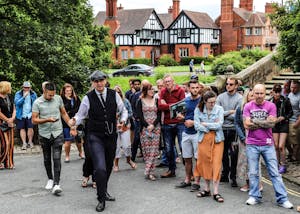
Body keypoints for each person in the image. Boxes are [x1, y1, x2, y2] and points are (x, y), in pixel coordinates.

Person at [69, 70, 128, 212]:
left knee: (107, 167)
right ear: (92, 83)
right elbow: (81, 114)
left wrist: (123, 120)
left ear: (105, 80)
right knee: (100, 168)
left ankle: (104, 190)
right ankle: (101, 198)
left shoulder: (114, 95)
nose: (99, 83)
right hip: (95, 136)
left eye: (101, 80)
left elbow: (123, 110)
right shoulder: (87, 98)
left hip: (111, 135)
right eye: (96, 81)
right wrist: (74, 121)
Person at [243, 84, 293, 209]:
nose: (259, 96)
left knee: (274, 172)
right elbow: (247, 125)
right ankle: (254, 196)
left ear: (265, 93)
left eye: (261, 93)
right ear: (253, 93)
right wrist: (263, 122)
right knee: (253, 172)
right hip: (252, 144)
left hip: (267, 143)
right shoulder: (248, 106)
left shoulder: (271, 106)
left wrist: (255, 122)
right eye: (257, 93)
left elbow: (271, 123)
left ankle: (282, 199)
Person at [32, 82, 73, 195]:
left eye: (53, 94)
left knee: (56, 158)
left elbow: (63, 113)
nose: (52, 97)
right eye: (50, 95)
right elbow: (34, 120)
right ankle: (50, 178)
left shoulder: (58, 98)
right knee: (46, 158)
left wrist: (71, 124)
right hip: (44, 134)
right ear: (44, 92)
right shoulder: (37, 102)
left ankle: (56, 184)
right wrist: (47, 120)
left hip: (57, 132)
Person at [194, 91, 224, 203]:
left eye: (214, 101)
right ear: (205, 101)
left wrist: (205, 124)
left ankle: (216, 191)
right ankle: (207, 189)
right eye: (210, 102)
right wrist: (209, 126)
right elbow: (196, 125)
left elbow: (219, 125)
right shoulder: (198, 110)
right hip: (203, 140)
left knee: (216, 164)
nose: (213, 104)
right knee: (205, 163)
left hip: (217, 140)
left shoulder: (219, 109)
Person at [175, 80, 202, 191]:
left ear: (199, 88)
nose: (195, 89)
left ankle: (196, 181)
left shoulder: (202, 101)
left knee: (197, 159)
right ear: (188, 89)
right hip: (186, 132)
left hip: (197, 133)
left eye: (197, 87)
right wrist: (180, 117)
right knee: (186, 158)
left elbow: (206, 118)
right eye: (193, 88)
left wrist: (193, 122)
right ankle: (187, 179)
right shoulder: (185, 101)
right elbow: (179, 114)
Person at [235, 89, 263, 192]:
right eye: (250, 96)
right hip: (244, 140)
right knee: (245, 162)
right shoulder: (240, 109)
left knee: (256, 161)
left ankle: (258, 183)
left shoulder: (260, 109)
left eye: (254, 95)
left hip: (257, 139)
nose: (253, 98)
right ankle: (247, 183)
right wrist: (243, 138)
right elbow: (237, 123)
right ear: (246, 97)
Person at [216, 77, 242, 187]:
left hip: (233, 130)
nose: (228, 86)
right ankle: (225, 174)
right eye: (227, 84)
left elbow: (238, 115)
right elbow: (217, 113)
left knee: (234, 154)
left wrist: (224, 114)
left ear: (236, 86)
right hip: (222, 129)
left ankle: (233, 177)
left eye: (231, 84)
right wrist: (230, 112)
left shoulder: (240, 98)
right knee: (223, 153)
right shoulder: (220, 97)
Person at [158, 74, 185, 178]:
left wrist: (167, 105)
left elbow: (182, 106)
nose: (167, 83)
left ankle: (189, 173)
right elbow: (160, 106)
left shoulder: (180, 90)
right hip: (167, 123)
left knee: (183, 147)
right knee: (168, 149)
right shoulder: (163, 92)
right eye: (166, 82)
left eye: (169, 81)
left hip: (179, 123)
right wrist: (173, 105)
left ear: (173, 81)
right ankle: (171, 170)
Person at [137, 82, 161, 181]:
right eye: (150, 89)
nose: (152, 91)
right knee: (147, 150)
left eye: (153, 90)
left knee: (154, 150)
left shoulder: (157, 100)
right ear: (145, 90)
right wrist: (147, 125)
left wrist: (153, 125)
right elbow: (139, 115)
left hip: (156, 128)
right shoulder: (140, 100)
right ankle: (148, 169)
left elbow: (159, 115)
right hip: (145, 129)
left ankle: (150, 171)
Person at [270, 84, 293, 174]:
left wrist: (283, 117)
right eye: (275, 92)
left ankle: (283, 165)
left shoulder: (286, 100)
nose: (277, 94)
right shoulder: (270, 101)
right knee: (275, 146)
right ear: (273, 91)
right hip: (275, 125)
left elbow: (290, 113)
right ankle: (276, 164)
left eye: (278, 92)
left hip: (283, 124)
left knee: (281, 146)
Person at [113, 86, 136, 172]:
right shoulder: (110, 102)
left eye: (119, 92)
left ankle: (129, 160)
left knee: (127, 146)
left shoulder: (126, 101)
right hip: (114, 127)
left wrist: (123, 116)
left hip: (125, 126)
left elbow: (130, 113)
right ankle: (116, 164)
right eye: (115, 92)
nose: (117, 94)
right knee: (117, 146)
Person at [60, 83, 84, 162]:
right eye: (67, 91)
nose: (69, 92)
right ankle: (67, 156)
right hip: (66, 122)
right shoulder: (61, 99)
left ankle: (81, 153)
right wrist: (69, 106)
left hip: (76, 121)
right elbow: (63, 111)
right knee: (68, 140)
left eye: (70, 90)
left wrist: (72, 112)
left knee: (78, 139)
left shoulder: (76, 98)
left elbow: (80, 109)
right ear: (64, 91)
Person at [14, 81, 37, 150]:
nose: (27, 89)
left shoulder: (33, 94)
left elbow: (36, 103)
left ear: (30, 88)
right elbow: (17, 103)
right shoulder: (18, 94)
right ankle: (24, 143)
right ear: (23, 87)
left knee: (30, 128)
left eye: (28, 88)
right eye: (25, 87)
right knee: (22, 128)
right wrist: (23, 97)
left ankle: (30, 142)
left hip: (30, 114)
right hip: (21, 114)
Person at [0, 81, 16, 169]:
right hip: (2, 123)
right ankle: (1, 161)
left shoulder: (9, 96)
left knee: (11, 144)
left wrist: (12, 118)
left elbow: (14, 109)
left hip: (10, 121)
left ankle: (8, 163)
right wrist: (7, 120)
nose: (11, 88)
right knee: (4, 143)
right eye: (9, 86)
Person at [287, 80, 300, 162]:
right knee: (286, 141)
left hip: (295, 121)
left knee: (295, 141)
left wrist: (297, 123)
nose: (292, 89)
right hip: (288, 120)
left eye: (295, 88)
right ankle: (291, 154)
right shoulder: (290, 94)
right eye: (291, 87)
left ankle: (294, 156)